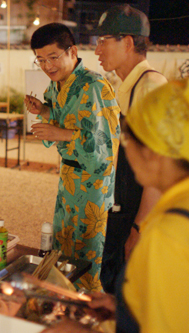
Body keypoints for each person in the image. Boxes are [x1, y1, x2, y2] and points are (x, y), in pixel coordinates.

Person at [42, 79, 189, 333]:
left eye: (127, 139)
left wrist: (77, 330)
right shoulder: (176, 206)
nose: (123, 150)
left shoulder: (170, 235)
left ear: (154, 152)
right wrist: (121, 307)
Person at [26, 23, 120, 292]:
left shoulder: (93, 85)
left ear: (73, 51)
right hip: (69, 178)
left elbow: (106, 144)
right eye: (41, 60)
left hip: (93, 181)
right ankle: (64, 304)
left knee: (89, 250)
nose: (47, 65)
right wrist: (44, 111)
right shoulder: (57, 86)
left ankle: (90, 314)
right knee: (64, 245)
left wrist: (61, 133)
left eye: (53, 57)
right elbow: (59, 122)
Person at [94, 4, 168, 294]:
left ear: (127, 42)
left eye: (103, 41)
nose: (97, 50)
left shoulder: (150, 88)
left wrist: (138, 229)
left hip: (140, 220)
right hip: (123, 212)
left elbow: (159, 172)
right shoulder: (129, 86)